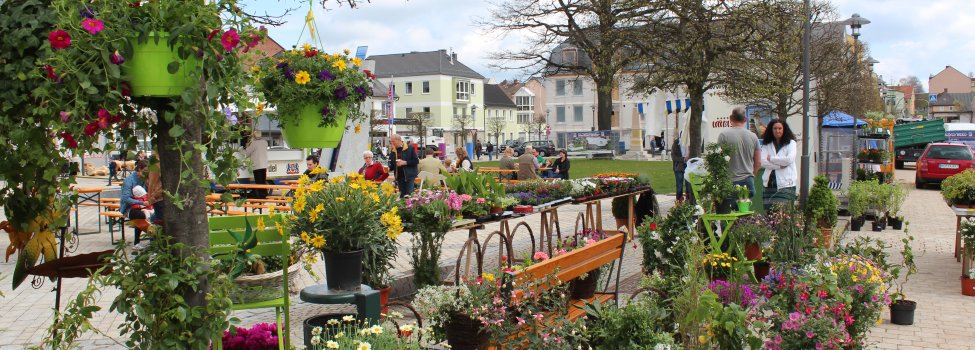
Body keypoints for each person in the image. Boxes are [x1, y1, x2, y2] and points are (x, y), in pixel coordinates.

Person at [717, 107, 761, 213]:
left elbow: (718, 160)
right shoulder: (753, 136)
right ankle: (743, 227)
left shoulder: (723, 135)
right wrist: (752, 175)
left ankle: (729, 228)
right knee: (743, 212)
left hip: (730, 181)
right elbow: (758, 162)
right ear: (745, 119)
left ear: (731, 118)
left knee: (728, 214)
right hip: (748, 181)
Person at [760, 119, 798, 208]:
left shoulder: (791, 143)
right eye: (775, 128)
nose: (777, 131)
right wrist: (779, 166)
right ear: (771, 130)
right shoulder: (767, 144)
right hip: (770, 183)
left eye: (780, 128)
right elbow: (763, 161)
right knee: (770, 213)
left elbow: (789, 160)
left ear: (784, 129)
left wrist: (772, 158)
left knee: (784, 212)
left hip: (786, 183)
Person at [121, 160, 149, 247]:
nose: (147, 174)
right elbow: (126, 198)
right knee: (140, 215)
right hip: (129, 208)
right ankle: (137, 242)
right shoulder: (129, 180)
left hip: (145, 206)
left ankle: (153, 239)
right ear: (139, 169)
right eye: (145, 171)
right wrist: (142, 203)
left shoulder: (145, 179)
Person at [243, 131, 269, 199]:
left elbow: (246, 153)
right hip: (264, 165)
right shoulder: (265, 142)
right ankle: (264, 194)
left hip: (257, 165)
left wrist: (240, 149)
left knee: (259, 181)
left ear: (254, 136)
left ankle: (261, 196)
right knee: (263, 180)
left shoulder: (254, 143)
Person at [671, 137, 691, 202]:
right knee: (679, 185)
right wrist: (683, 159)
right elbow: (673, 157)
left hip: (688, 166)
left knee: (688, 185)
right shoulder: (676, 143)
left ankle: (688, 200)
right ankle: (679, 200)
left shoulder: (690, 142)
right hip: (679, 167)